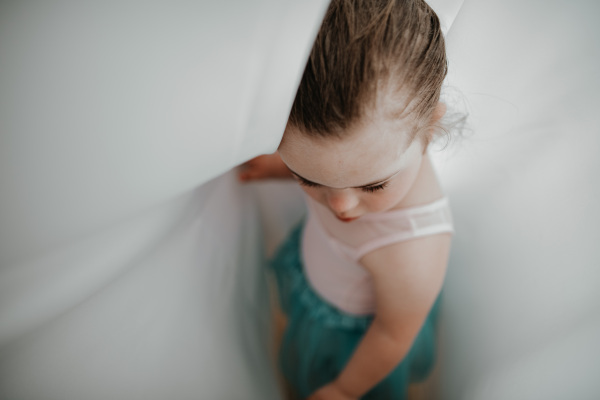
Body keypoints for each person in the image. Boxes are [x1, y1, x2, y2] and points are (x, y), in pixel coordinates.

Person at [240, 0, 454, 398]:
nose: (339, 207)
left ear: (430, 129)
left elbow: (392, 334)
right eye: (308, 178)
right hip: (320, 284)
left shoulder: (414, 248)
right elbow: (334, 167)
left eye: (372, 186)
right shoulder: (352, 161)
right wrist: (278, 168)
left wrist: (342, 389)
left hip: (357, 344)